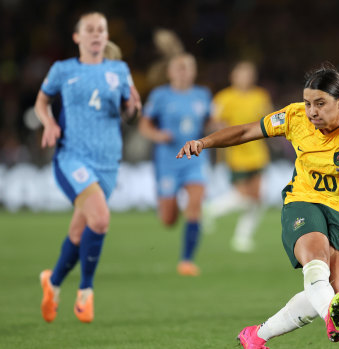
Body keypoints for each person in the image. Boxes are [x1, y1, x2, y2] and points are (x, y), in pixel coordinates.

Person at [177, 63, 339, 348]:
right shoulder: (294, 117)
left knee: (332, 292)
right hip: (303, 201)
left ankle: (256, 336)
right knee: (317, 265)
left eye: (320, 104)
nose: (312, 111)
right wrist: (203, 142)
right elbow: (245, 132)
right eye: (308, 103)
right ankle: (330, 314)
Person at [35, 12, 141, 323]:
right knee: (101, 217)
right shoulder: (62, 70)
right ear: (77, 37)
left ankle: (52, 284)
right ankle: (85, 291)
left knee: (80, 232)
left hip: (107, 162)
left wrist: (135, 108)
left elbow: (129, 114)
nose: (96, 34)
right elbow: (41, 102)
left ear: (106, 36)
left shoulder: (119, 70)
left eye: (101, 30)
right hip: (72, 158)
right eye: (89, 30)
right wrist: (49, 123)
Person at [139, 53, 212, 276]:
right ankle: (169, 207)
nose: (184, 72)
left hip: (195, 160)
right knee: (169, 219)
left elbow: (210, 124)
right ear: (170, 72)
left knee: (195, 205)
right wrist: (158, 135)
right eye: (179, 68)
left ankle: (187, 261)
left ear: (194, 71)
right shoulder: (160, 95)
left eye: (188, 67)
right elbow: (145, 125)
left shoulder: (203, 95)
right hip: (168, 161)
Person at [203, 61, 272, 252]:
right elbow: (213, 124)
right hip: (237, 154)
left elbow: (269, 121)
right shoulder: (224, 98)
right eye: (242, 74)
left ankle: (242, 237)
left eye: (249, 74)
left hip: (258, 154)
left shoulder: (260, 96)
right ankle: (210, 210)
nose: (245, 78)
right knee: (244, 197)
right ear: (233, 77)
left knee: (258, 198)